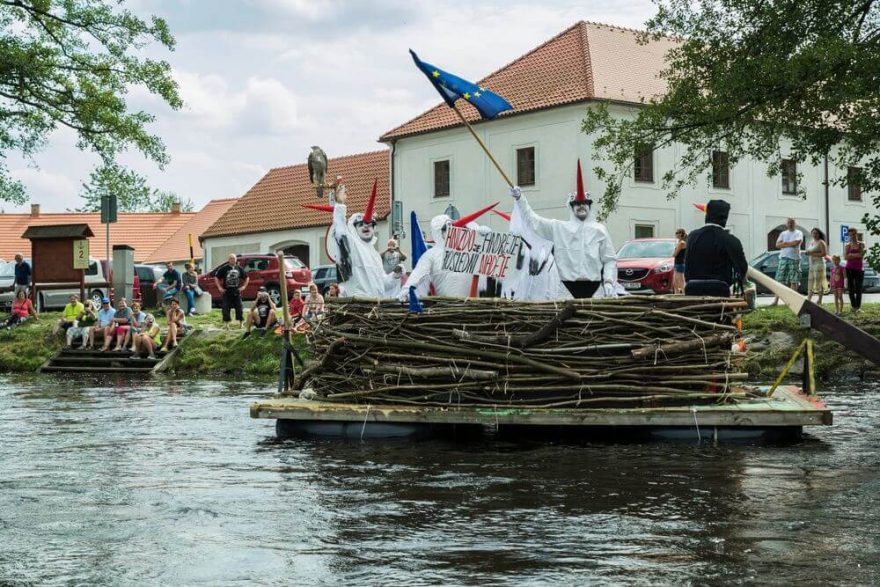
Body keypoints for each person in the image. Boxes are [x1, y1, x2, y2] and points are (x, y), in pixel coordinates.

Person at [508, 161, 618, 298]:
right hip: (566, 289)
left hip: (595, 288)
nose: (581, 206)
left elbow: (609, 259)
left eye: (584, 203)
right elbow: (533, 221)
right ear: (571, 207)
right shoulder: (559, 228)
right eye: (577, 204)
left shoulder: (599, 230)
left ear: (590, 206)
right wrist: (520, 199)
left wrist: (608, 281)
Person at [401, 204, 498, 300]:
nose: (451, 230)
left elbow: (490, 262)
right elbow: (418, 273)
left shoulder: (465, 248)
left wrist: (483, 238)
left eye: (452, 226)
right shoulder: (431, 254)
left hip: (474, 307)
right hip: (447, 308)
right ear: (438, 232)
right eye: (446, 228)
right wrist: (406, 289)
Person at [327, 180, 401, 298]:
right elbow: (341, 233)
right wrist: (340, 205)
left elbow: (383, 284)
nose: (366, 226)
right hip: (358, 305)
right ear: (353, 228)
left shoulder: (375, 255)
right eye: (361, 224)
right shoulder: (352, 245)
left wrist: (395, 275)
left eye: (370, 224)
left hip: (376, 307)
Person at [683, 200, 748, 297]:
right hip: (719, 291)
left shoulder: (692, 236)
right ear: (725, 218)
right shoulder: (731, 240)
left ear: (707, 215)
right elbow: (742, 268)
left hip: (693, 289)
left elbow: (687, 264)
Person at [772, 217, 803, 304]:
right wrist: (789, 244)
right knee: (779, 279)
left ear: (795, 224)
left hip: (794, 258)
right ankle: (775, 301)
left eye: (792, 222)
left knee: (794, 280)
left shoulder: (799, 233)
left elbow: (796, 243)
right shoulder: (783, 233)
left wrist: (784, 243)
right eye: (789, 222)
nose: (790, 224)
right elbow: (777, 245)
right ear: (786, 224)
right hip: (783, 258)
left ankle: (793, 301)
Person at [214, 254, 249, 329]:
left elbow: (246, 277)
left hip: (236, 291)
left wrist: (244, 286)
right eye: (231, 258)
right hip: (226, 291)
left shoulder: (239, 268)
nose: (232, 260)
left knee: (239, 307)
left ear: (236, 259)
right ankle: (226, 324)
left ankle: (241, 323)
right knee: (226, 308)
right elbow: (216, 277)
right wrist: (219, 287)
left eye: (234, 258)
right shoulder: (224, 268)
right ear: (228, 259)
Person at [844, 227, 865, 314]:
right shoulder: (847, 245)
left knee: (859, 288)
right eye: (850, 235)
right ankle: (854, 307)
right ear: (849, 236)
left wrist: (851, 254)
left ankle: (858, 307)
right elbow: (845, 257)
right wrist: (856, 255)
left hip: (859, 269)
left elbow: (862, 255)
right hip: (849, 268)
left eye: (853, 234)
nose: (852, 236)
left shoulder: (861, 244)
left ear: (856, 234)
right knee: (851, 288)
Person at [805, 228, 828, 305]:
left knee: (818, 282)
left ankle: (819, 300)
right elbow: (810, 252)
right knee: (810, 281)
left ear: (819, 234)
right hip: (812, 264)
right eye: (813, 233)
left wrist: (811, 254)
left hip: (819, 264)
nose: (815, 235)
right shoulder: (812, 242)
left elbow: (824, 254)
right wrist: (807, 252)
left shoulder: (821, 242)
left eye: (816, 233)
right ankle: (808, 299)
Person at [672, 229, 688, 295]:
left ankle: (685, 295)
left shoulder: (682, 243)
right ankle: (677, 295)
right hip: (677, 263)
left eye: (677, 233)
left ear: (681, 234)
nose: (676, 234)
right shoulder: (680, 242)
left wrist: (673, 253)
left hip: (680, 264)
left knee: (681, 282)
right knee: (675, 283)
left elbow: (675, 254)